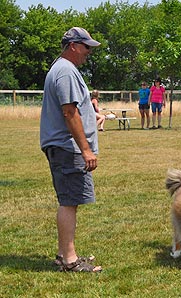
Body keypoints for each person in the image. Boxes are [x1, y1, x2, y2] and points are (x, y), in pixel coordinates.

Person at [40, 27, 102, 272]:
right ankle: (69, 260)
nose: (89, 52)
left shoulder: (62, 69)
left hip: (64, 146)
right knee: (69, 201)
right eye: (86, 47)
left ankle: (64, 253)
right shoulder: (65, 71)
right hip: (67, 148)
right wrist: (85, 149)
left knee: (70, 200)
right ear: (74, 45)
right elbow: (69, 112)